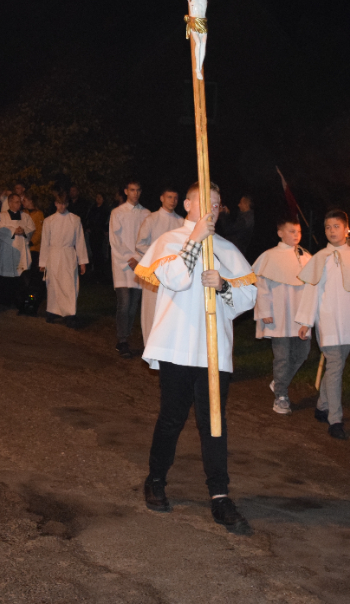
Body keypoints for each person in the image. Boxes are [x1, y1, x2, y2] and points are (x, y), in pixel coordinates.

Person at [134, 182, 257, 535]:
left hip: (212, 350)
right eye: (205, 202)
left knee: (213, 424)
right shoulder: (170, 241)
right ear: (188, 204)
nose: (212, 209)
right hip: (177, 344)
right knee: (172, 417)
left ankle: (220, 495)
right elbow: (174, 278)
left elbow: (249, 297)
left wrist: (224, 286)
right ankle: (156, 479)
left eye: (217, 204)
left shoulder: (227, 249)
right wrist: (193, 241)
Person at [294, 210, 350, 438]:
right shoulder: (320, 258)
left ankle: (322, 405)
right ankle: (336, 420)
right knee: (335, 365)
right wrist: (306, 321)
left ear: (346, 229)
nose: (332, 231)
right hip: (328, 319)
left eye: (336, 226)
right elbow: (311, 291)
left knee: (336, 366)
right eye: (328, 227)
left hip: (349, 320)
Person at [253, 219, 313, 415]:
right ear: (280, 233)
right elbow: (261, 286)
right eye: (291, 231)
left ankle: (279, 381)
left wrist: (310, 315)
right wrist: (265, 311)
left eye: (298, 231)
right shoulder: (269, 256)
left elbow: (312, 288)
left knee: (302, 354)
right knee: (282, 358)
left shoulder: (306, 257)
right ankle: (281, 396)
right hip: (278, 316)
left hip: (300, 317)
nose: (296, 235)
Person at [135, 186, 185, 345]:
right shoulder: (152, 219)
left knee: (170, 310)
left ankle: (167, 344)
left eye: (175, 198)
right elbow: (140, 244)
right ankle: (149, 344)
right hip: (154, 271)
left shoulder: (181, 222)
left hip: (173, 274)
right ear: (162, 198)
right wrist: (159, 257)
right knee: (152, 308)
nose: (173, 201)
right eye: (169, 197)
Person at [110, 180, 150, 358]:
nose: (135, 193)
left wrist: (139, 258)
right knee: (124, 303)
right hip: (122, 264)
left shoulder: (146, 214)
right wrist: (129, 258)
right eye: (132, 190)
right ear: (126, 191)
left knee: (133, 305)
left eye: (138, 190)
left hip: (139, 263)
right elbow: (115, 240)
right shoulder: (117, 213)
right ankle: (122, 339)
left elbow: (148, 239)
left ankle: (126, 336)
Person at [41, 191, 89, 327]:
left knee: (69, 284)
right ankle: (53, 311)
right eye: (59, 204)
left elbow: (79, 241)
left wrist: (82, 261)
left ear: (67, 204)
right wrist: (43, 262)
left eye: (64, 204)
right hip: (54, 255)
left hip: (68, 255)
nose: (61, 206)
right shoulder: (49, 221)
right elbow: (45, 242)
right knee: (53, 284)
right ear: (55, 204)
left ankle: (69, 313)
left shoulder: (75, 219)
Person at [0, 193, 36, 307]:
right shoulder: (1, 216)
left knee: (20, 277)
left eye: (20, 202)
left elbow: (32, 228)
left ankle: (19, 300)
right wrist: (13, 231)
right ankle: (5, 300)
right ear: (10, 203)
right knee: (6, 277)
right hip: (7, 250)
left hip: (21, 249)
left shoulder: (25, 216)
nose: (19, 204)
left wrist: (23, 231)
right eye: (17, 202)